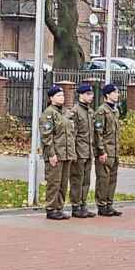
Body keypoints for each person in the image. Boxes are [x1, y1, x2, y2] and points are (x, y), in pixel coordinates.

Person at [39, 84, 76, 220]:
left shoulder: (65, 113)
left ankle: (59, 208)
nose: (62, 98)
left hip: (66, 154)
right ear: (51, 98)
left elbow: (70, 134)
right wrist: (51, 154)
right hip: (55, 154)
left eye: (63, 95)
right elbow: (46, 136)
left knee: (63, 183)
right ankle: (51, 208)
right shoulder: (49, 113)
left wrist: (72, 153)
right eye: (59, 95)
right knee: (54, 182)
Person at [94, 83, 122, 216]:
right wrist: (101, 151)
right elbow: (98, 133)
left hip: (114, 151)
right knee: (103, 179)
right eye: (115, 92)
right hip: (105, 151)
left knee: (112, 179)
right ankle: (102, 205)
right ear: (107, 95)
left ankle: (109, 204)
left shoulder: (115, 111)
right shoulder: (101, 111)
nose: (118, 95)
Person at [70, 82, 96, 218]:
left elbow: (92, 133)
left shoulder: (90, 112)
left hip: (88, 151)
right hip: (79, 151)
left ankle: (83, 205)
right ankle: (75, 206)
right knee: (76, 180)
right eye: (88, 94)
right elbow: (72, 134)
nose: (91, 96)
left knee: (86, 180)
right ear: (80, 95)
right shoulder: (75, 112)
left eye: (91, 94)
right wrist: (73, 153)